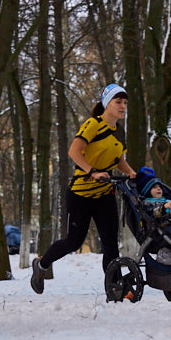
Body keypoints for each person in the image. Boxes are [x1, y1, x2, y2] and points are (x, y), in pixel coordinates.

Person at [31, 83, 136, 294]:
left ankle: (114, 287)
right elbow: (74, 151)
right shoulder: (93, 124)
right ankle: (41, 265)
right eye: (118, 102)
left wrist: (132, 173)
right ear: (107, 104)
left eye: (125, 102)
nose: (123, 106)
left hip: (105, 194)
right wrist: (93, 171)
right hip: (81, 193)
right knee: (73, 241)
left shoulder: (120, 132)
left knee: (110, 244)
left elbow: (119, 161)